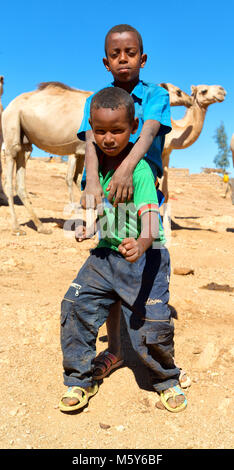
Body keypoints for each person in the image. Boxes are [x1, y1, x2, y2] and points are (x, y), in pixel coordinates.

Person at [59, 87, 187, 413]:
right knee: (75, 306)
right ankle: (79, 379)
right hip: (107, 255)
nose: (109, 138)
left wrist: (142, 243)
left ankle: (166, 379)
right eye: (100, 131)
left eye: (117, 130)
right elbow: (108, 211)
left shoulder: (139, 170)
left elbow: (150, 221)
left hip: (145, 258)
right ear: (91, 130)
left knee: (152, 324)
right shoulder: (99, 167)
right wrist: (92, 226)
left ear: (132, 128)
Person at [77, 24, 191, 389]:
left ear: (142, 58)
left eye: (130, 53)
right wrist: (93, 181)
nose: (122, 59)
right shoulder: (96, 98)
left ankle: (155, 351)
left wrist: (127, 169)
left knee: (146, 256)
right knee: (110, 262)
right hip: (108, 192)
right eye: (115, 54)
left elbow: (148, 132)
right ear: (105, 62)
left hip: (141, 187)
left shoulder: (155, 94)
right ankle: (116, 348)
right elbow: (91, 143)